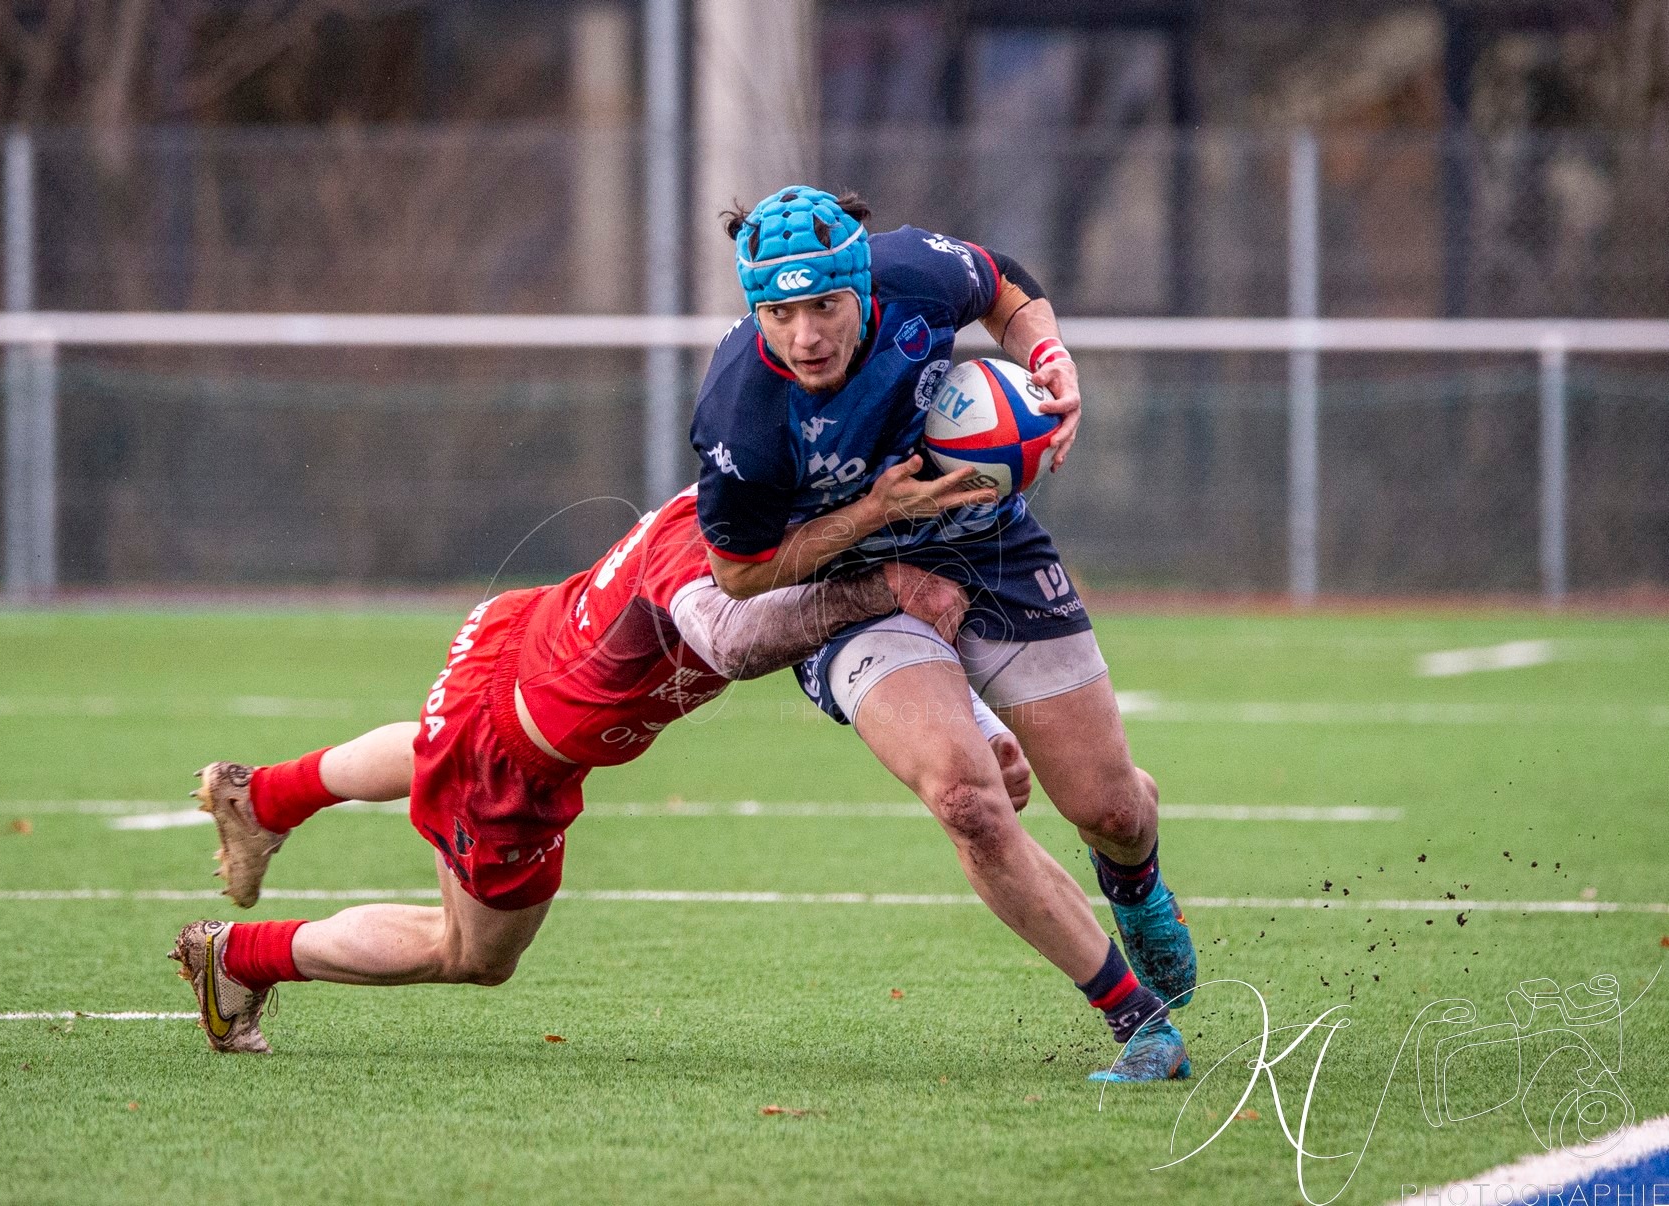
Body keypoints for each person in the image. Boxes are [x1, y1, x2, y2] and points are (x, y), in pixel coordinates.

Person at [168, 482, 1030, 1054]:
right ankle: (241, 959)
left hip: (519, 642)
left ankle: (265, 797)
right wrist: (891, 586)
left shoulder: (761, 493)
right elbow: (751, 634)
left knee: (442, 741)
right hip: (515, 751)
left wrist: (976, 720)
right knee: (473, 953)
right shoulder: (716, 550)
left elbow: (842, 614)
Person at [688, 186, 1196, 1082]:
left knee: (1110, 806)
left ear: (863, 290)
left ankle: (1138, 885)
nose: (804, 336)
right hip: (856, 593)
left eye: (824, 307)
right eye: (778, 312)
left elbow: (1003, 283)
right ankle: (1136, 1021)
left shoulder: (915, 276)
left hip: (987, 546)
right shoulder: (741, 411)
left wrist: (1050, 354)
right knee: (967, 800)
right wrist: (872, 517)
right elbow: (738, 574)